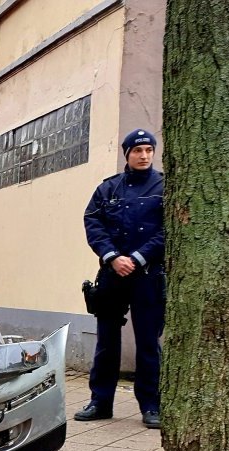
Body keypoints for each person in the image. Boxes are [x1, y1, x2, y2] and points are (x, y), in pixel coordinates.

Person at [75, 129, 166, 429]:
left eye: (148, 150)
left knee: (148, 343)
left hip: (148, 275)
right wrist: (112, 256)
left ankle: (152, 405)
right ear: (126, 153)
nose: (143, 156)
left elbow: (166, 230)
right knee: (107, 342)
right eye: (137, 150)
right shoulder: (108, 189)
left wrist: (138, 258)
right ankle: (100, 402)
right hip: (112, 274)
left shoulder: (165, 185)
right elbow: (93, 222)